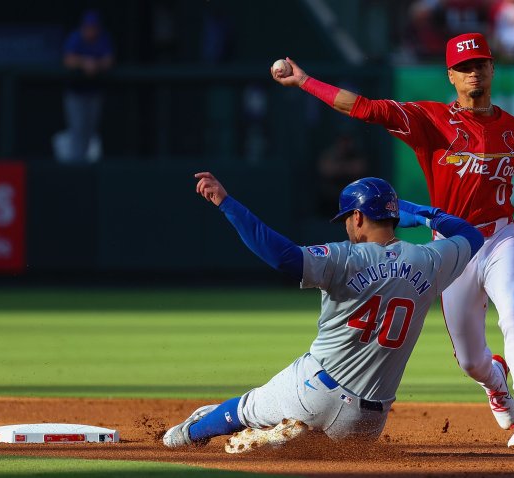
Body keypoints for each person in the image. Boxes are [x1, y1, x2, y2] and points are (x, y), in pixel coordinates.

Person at [271, 31, 514, 450]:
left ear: (491, 68)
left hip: (502, 237)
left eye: (480, 64)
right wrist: (306, 82)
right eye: (464, 67)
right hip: (453, 247)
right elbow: (365, 109)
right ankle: (494, 381)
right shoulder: (431, 120)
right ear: (450, 75)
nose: (474, 73)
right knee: (470, 360)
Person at [163, 174, 482, 452]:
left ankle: (185, 435)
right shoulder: (430, 261)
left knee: (244, 409)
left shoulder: (345, 257)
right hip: (368, 423)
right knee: (320, 447)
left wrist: (226, 203)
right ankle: (284, 436)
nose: (345, 225)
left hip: (314, 393)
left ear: (358, 217)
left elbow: (282, 257)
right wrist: (425, 215)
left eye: (346, 218)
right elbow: (472, 235)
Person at [61, 9, 114, 164]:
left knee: (90, 131)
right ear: (83, 27)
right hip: (75, 92)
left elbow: (109, 60)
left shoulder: (103, 38)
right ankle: (75, 165)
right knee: (77, 129)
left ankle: (84, 162)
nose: (91, 31)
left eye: (94, 28)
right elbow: (68, 60)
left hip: (94, 92)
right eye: (88, 27)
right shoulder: (75, 38)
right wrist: (85, 63)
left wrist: (95, 64)